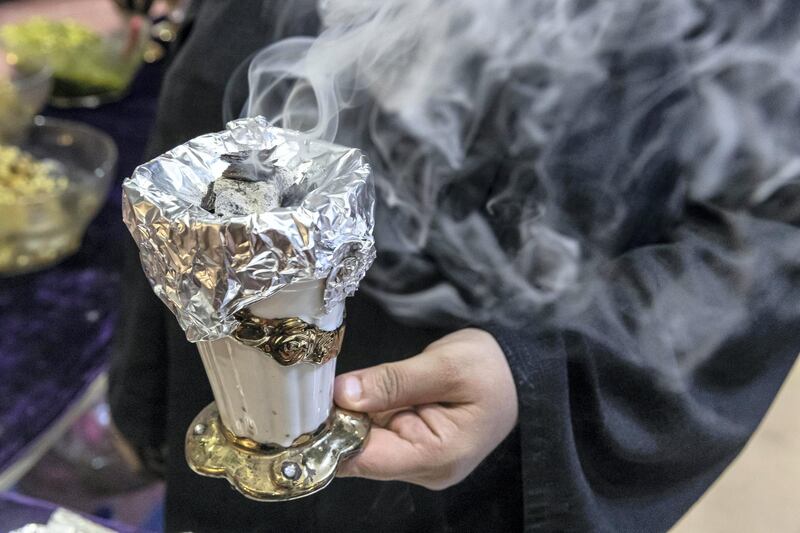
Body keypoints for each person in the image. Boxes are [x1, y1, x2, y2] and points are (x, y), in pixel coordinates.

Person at [110, 1, 800, 531]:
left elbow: (771, 231)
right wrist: (146, 376)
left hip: (478, 425)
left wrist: (542, 371)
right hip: (220, 344)